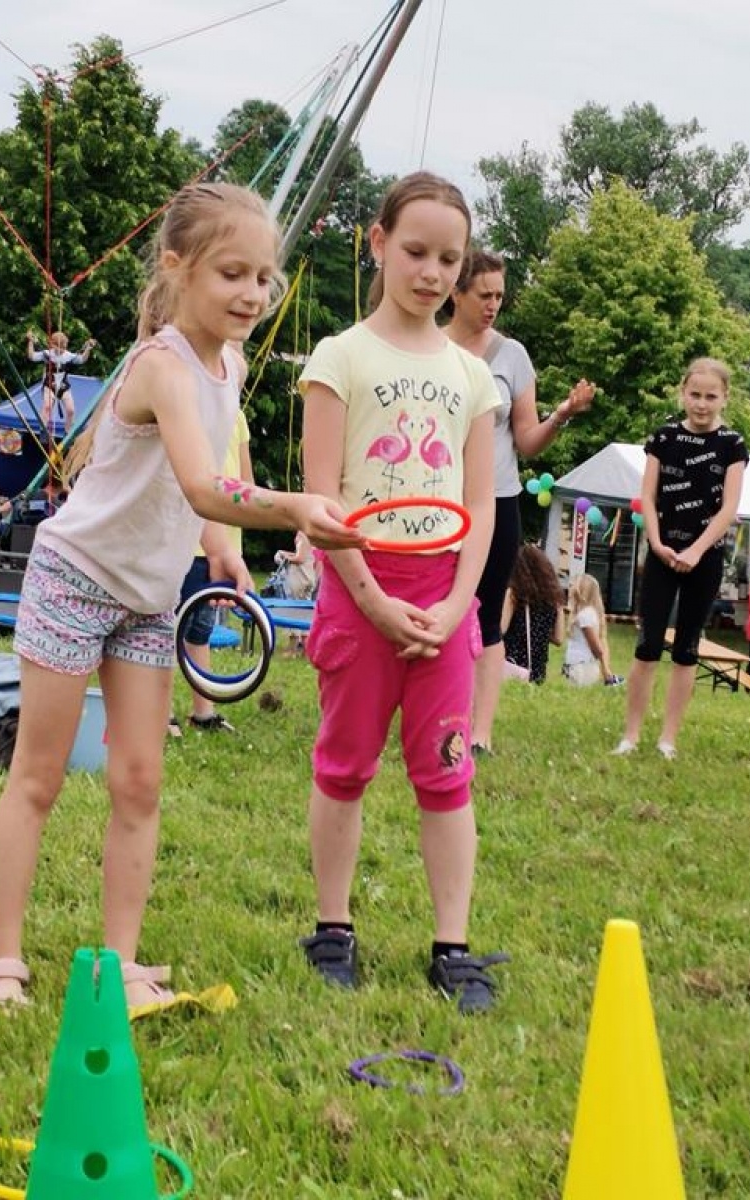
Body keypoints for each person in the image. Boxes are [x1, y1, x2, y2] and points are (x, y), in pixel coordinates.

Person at [0, 182, 362, 1018]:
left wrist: (221, 547)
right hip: (75, 579)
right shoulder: (160, 367)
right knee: (37, 776)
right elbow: (197, 478)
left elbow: (206, 480)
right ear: (177, 269)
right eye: (232, 273)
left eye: (264, 277)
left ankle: (118, 961)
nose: (253, 293)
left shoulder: (233, 363)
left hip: (146, 597)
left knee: (140, 782)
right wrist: (286, 510)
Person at [297, 171, 507, 1014]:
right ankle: (332, 928)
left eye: (449, 259)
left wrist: (456, 608)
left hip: (444, 596)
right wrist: (375, 602)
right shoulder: (339, 358)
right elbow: (321, 502)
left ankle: (451, 947)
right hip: (360, 592)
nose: (432, 273)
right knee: (344, 766)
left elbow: (481, 503)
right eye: (415, 251)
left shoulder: (471, 375)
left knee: (447, 776)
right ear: (377, 242)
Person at [445, 247, 594, 755]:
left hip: (497, 503)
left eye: (500, 296)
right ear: (455, 292)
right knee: (436, 610)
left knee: (485, 616)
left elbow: (527, 441)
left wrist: (563, 414)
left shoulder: (513, 356)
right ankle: (434, 719)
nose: (493, 305)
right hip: (438, 503)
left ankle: (478, 734)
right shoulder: (429, 347)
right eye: (483, 295)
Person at [615, 359, 749, 760]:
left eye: (711, 396)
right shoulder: (664, 437)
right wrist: (656, 543)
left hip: (704, 558)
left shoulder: (733, 445)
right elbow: (649, 497)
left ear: (724, 397)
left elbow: (729, 508)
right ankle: (631, 735)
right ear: (683, 393)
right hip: (662, 551)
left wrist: (696, 550)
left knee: (687, 647)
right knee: (647, 644)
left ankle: (667, 738)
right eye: (695, 395)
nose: (702, 404)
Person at [170, 410, 255, 736]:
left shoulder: (237, 417)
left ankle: (203, 712)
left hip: (226, 546)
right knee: (167, 633)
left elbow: (247, 483)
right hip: (188, 544)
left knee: (200, 631)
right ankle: (161, 715)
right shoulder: (191, 411)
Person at [500, 542, 564, 685]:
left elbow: (501, 629)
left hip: (514, 664)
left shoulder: (515, 594)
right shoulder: (554, 599)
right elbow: (559, 638)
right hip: (538, 669)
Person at [27, 328, 97, 429]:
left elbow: (82, 359)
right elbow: (32, 356)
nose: (62, 350)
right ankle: (43, 430)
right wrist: (30, 342)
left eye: (64, 347)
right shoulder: (47, 354)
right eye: (59, 347)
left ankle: (68, 432)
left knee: (71, 410)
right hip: (49, 385)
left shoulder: (68, 356)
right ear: (53, 345)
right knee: (47, 407)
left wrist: (88, 348)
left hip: (63, 386)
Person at [561, 573, 620, 687]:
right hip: (580, 667)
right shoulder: (587, 613)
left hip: (582, 668)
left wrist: (606, 671)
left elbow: (596, 648)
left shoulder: (585, 615)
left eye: (573, 585)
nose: (571, 588)